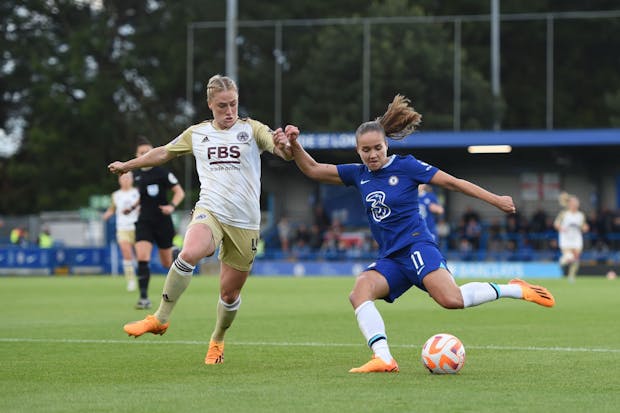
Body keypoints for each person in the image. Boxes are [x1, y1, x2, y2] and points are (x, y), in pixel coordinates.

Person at [283, 94, 556, 373]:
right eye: (366, 150)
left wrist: (496, 200)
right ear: (357, 150)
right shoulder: (358, 174)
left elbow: (453, 183)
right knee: (359, 292)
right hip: (391, 257)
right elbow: (314, 169)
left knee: (452, 300)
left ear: (386, 144)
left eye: (377, 147)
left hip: (416, 247)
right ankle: (384, 358)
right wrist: (294, 143)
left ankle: (515, 289)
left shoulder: (407, 166)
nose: (373, 154)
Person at [108, 74, 293, 364]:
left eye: (233, 104)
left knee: (229, 294)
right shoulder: (197, 134)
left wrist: (286, 143)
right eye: (222, 106)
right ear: (210, 104)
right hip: (210, 210)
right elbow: (162, 153)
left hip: (245, 223)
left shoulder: (252, 129)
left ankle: (217, 340)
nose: (229, 111)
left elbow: (282, 152)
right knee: (190, 251)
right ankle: (160, 318)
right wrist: (127, 166)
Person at [126, 136, 185, 309]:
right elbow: (142, 196)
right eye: (141, 153)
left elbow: (179, 192)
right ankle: (143, 298)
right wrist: (132, 207)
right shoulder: (135, 175)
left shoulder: (162, 172)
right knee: (142, 258)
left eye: (147, 152)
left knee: (166, 263)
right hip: (144, 220)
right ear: (136, 155)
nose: (145, 155)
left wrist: (171, 206)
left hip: (162, 221)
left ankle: (175, 255)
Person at [102, 172, 140, 292]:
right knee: (126, 254)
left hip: (137, 227)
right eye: (123, 178)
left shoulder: (137, 192)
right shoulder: (116, 195)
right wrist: (106, 215)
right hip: (122, 228)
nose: (125, 180)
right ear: (119, 180)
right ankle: (131, 281)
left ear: (132, 179)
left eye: (128, 177)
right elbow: (112, 208)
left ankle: (142, 278)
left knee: (140, 256)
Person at [554, 193, 589, 282]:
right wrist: (561, 228)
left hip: (576, 238)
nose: (575, 204)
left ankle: (571, 276)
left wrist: (585, 227)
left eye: (576, 203)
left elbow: (583, 226)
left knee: (576, 258)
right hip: (566, 238)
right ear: (569, 204)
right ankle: (561, 262)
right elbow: (556, 224)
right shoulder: (564, 214)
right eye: (573, 203)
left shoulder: (581, 215)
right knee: (569, 257)